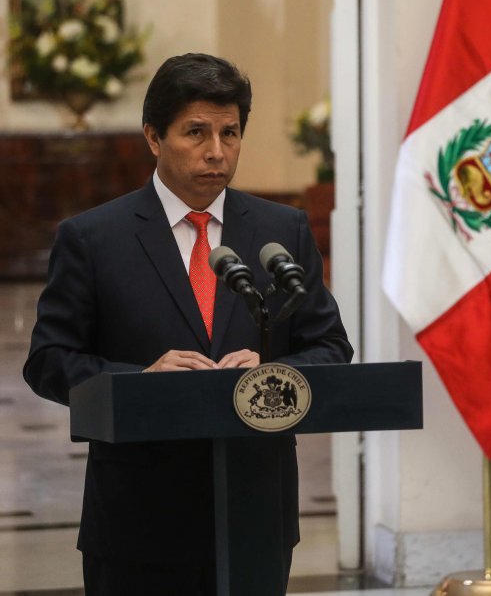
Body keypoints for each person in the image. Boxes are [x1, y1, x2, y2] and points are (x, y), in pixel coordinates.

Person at [23, 53, 352, 595]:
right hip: (137, 516)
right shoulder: (93, 239)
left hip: (256, 509)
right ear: (154, 137)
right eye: (196, 132)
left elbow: (331, 346)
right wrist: (140, 380)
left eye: (230, 133)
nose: (216, 151)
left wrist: (271, 373)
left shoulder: (281, 231)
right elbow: (48, 361)